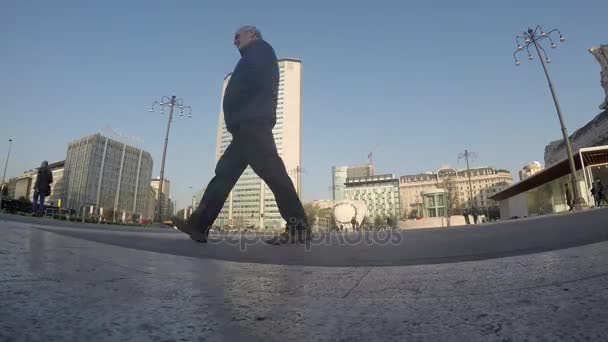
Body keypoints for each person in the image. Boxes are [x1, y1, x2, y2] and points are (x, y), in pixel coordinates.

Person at [174, 25, 309, 245]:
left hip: (251, 123)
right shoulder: (257, 53)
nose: (235, 41)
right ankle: (199, 225)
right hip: (247, 124)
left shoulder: (259, 49)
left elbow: (247, 83)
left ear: (252, 35)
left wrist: (237, 109)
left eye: (238, 36)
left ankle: (299, 226)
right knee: (225, 174)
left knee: (273, 175)